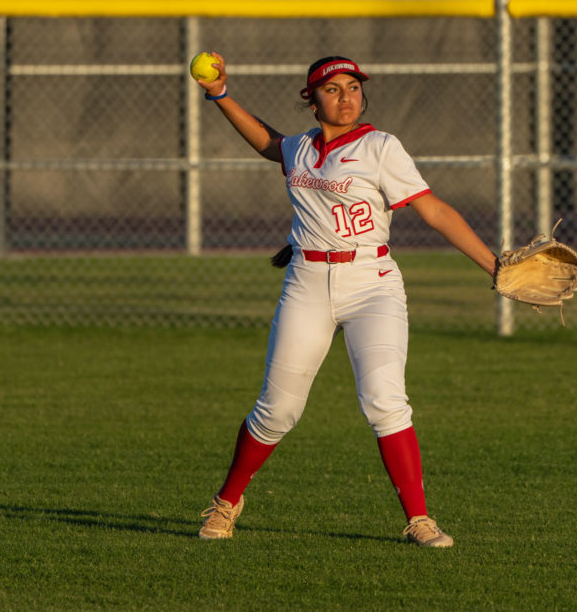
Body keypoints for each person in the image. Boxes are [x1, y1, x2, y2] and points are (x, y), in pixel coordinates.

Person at [194, 53, 496, 547]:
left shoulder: (380, 146)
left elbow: (435, 210)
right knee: (276, 411)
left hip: (372, 282)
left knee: (385, 402)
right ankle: (226, 503)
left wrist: (495, 266)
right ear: (311, 100)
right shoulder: (301, 149)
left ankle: (419, 519)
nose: (346, 96)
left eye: (353, 87)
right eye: (332, 89)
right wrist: (220, 95)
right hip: (307, 282)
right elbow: (270, 143)